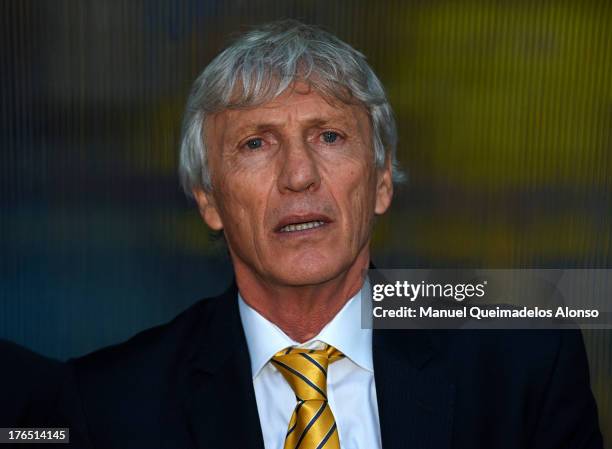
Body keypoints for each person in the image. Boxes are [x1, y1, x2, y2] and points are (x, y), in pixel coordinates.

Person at [62, 20, 603, 449]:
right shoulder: (103, 405)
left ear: (382, 180)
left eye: (329, 135)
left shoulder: (525, 365)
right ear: (208, 199)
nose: (299, 175)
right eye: (256, 143)